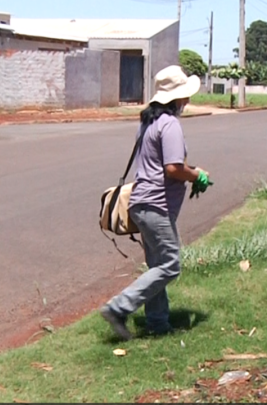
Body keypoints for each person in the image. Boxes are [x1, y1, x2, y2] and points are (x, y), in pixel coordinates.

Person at [100, 65, 211, 340]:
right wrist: (197, 175)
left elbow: (159, 165)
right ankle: (119, 307)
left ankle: (158, 324)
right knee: (171, 264)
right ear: (177, 98)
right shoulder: (170, 124)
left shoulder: (149, 122)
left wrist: (191, 172)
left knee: (157, 265)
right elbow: (173, 169)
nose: (187, 101)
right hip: (155, 206)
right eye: (185, 96)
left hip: (141, 203)